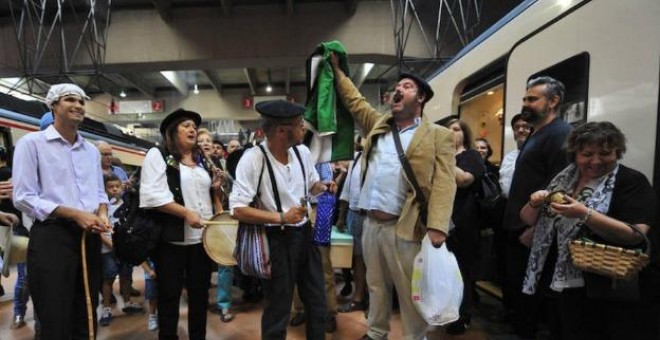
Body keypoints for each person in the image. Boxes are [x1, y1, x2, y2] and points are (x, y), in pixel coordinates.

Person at [330, 54, 456, 340]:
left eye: (407, 86)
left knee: (410, 290)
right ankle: (376, 332)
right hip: (370, 224)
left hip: (406, 226)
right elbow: (355, 101)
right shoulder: (378, 124)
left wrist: (438, 226)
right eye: (397, 86)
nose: (398, 89)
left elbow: (445, 183)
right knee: (376, 285)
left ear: (421, 97)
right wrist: (337, 71)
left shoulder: (439, 135)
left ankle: (415, 336)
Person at [520, 121, 658, 339]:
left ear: (618, 152)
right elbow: (530, 219)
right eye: (587, 154)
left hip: (602, 287)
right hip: (556, 280)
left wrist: (585, 214)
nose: (595, 161)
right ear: (575, 154)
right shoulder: (564, 179)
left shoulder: (631, 181)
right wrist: (536, 209)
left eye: (605, 153)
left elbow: (636, 235)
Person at [13, 83, 111, 338]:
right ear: (54, 105)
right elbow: (23, 197)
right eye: (70, 99)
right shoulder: (31, 144)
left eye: (81, 101)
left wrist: (101, 214)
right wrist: (75, 214)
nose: (78, 105)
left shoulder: (90, 151)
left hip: (87, 237)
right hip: (52, 236)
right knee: (54, 312)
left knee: (86, 307)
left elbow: (99, 193)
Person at [230, 100, 334, 340]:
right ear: (280, 131)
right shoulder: (254, 159)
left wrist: (323, 187)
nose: (303, 129)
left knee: (318, 302)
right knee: (278, 309)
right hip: (276, 240)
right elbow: (237, 209)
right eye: (299, 125)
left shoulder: (302, 152)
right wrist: (280, 217)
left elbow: (312, 185)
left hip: (304, 235)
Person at [139, 108, 224, 340]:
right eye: (186, 125)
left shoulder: (204, 160)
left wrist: (216, 189)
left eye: (194, 126)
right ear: (172, 131)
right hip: (171, 241)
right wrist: (185, 212)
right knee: (169, 296)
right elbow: (151, 195)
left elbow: (212, 199)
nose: (192, 129)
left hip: (202, 241)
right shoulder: (158, 155)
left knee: (200, 296)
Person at [501, 76, 572, 338]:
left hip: (533, 233)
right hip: (520, 228)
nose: (525, 104)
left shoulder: (560, 134)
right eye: (525, 99)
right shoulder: (537, 133)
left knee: (534, 300)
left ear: (553, 101)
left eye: (532, 99)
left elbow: (561, 188)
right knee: (521, 296)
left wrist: (538, 228)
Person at [439, 118, 485, 334]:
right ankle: (448, 309)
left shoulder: (471, 156)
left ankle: (463, 314)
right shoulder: (444, 157)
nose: (451, 133)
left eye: (456, 130)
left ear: (465, 134)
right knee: (446, 270)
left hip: (464, 222)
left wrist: (446, 159)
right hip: (443, 220)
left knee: (462, 270)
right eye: (447, 130)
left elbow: (465, 179)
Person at [336, 136, 368, 314]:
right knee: (358, 260)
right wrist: (342, 216)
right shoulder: (356, 158)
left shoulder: (383, 158)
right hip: (355, 215)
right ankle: (359, 298)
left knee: (377, 262)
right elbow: (347, 191)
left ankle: (374, 300)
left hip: (374, 217)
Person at [499, 114, 531, 198]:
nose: (520, 130)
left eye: (525, 126)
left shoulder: (539, 154)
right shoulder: (508, 157)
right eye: (516, 127)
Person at [141, 259, 159, 332]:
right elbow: (141, 259)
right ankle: (152, 316)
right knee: (152, 296)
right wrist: (149, 270)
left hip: (166, 273)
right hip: (150, 273)